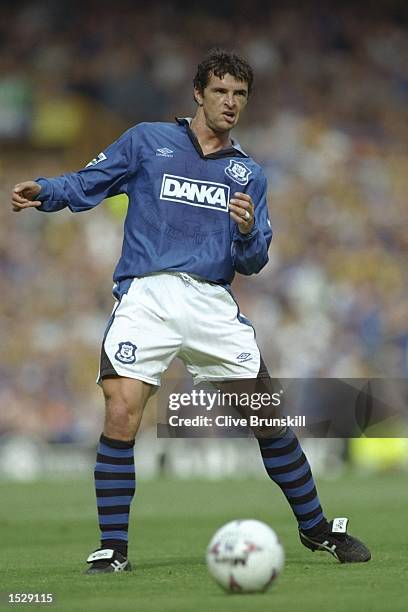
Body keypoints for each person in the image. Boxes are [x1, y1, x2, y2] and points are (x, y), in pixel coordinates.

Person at [11, 48, 370, 573]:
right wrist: (45, 191)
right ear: (198, 93)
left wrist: (248, 231)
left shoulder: (248, 174)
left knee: (268, 418)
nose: (231, 102)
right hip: (148, 295)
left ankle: (316, 530)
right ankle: (114, 548)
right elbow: (87, 183)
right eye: (221, 91)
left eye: (240, 94)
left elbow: (255, 260)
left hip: (209, 300)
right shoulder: (147, 141)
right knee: (120, 409)